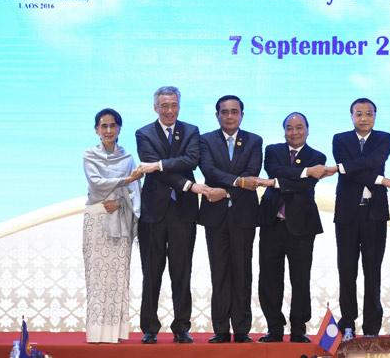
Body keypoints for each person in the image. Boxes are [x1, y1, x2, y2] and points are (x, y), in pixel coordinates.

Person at [135, 86, 225, 344]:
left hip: (183, 212)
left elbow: (191, 161)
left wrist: (160, 164)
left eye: (174, 105)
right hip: (153, 213)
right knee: (151, 272)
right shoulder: (144, 133)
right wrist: (188, 184)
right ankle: (149, 328)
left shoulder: (191, 131)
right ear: (155, 107)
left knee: (181, 271)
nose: (169, 110)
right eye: (164, 106)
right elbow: (154, 168)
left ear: (179, 106)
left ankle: (181, 327)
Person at [331, 98, 390, 340]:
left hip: (374, 214)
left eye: (368, 114)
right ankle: (348, 323)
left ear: (375, 116)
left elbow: (370, 163)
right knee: (347, 269)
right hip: (347, 214)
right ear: (351, 116)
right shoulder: (340, 139)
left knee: (372, 270)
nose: (364, 118)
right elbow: (359, 171)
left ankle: (372, 327)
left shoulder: (384, 138)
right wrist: (381, 179)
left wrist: (344, 167)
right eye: (359, 114)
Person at [259, 112, 335, 343]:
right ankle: (274, 328)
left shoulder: (317, 156)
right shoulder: (272, 151)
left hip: (302, 226)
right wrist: (302, 173)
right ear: (284, 131)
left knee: (300, 278)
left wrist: (279, 182)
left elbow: (304, 186)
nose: (294, 132)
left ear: (307, 130)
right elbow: (274, 171)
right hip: (272, 223)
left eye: (299, 127)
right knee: (270, 278)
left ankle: (298, 329)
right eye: (289, 128)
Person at [198, 95, 263, 343]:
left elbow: (252, 174)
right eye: (224, 112)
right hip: (215, 217)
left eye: (234, 112)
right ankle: (221, 329)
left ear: (241, 115)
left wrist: (225, 190)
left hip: (244, 215)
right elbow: (209, 170)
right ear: (217, 115)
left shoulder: (254, 141)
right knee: (220, 272)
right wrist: (237, 182)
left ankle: (242, 329)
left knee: (242, 271)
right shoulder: (205, 140)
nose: (229, 116)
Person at [82, 108, 143, 343]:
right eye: (103, 126)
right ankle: (96, 332)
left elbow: (134, 192)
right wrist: (127, 180)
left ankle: (115, 333)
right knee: (97, 276)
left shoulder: (127, 158)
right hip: (97, 218)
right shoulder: (89, 155)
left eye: (112, 125)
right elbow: (97, 186)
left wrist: (119, 200)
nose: (108, 130)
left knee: (118, 276)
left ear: (119, 129)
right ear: (96, 130)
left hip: (120, 217)